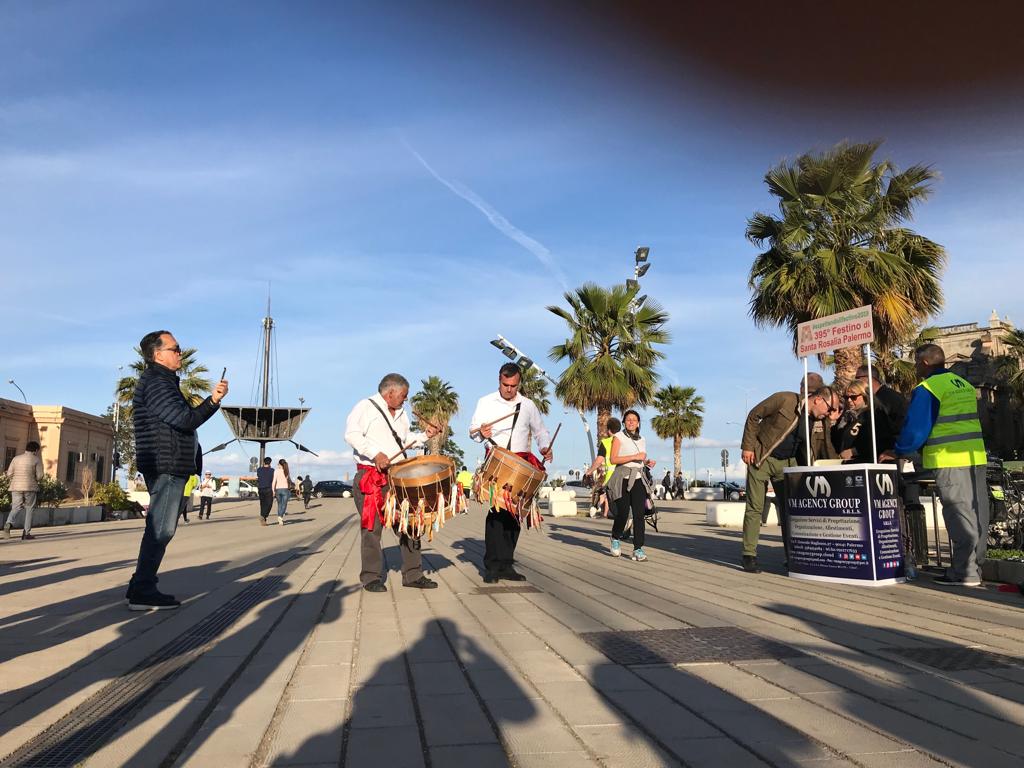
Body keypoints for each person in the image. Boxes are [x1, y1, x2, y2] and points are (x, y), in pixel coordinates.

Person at [126, 329, 227, 611]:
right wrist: (213, 401)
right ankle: (143, 590)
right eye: (175, 348)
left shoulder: (162, 381)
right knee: (161, 529)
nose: (180, 352)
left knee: (158, 526)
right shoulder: (158, 383)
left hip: (165, 462)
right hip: (166, 464)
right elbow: (184, 420)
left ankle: (138, 585)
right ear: (158, 355)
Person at [881, 344, 989, 587]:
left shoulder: (928, 388)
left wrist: (897, 451)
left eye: (916, 363)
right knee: (978, 513)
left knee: (959, 514)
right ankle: (975, 566)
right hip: (975, 456)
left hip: (949, 459)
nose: (916, 367)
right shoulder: (963, 384)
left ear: (925, 363)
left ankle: (965, 572)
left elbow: (916, 430)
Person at [345, 373, 440, 592]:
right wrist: (375, 454)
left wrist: (425, 435)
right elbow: (351, 435)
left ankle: (413, 574)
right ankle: (371, 578)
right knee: (372, 528)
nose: (405, 400)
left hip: (398, 477)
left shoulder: (402, 414)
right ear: (390, 393)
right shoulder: (365, 407)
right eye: (403, 396)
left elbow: (404, 442)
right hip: (371, 477)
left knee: (410, 523)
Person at [469, 363, 552, 583]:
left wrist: (544, 446)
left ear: (519, 383)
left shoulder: (528, 405)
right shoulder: (485, 402)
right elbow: (473, 431)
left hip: (522, 462)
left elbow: (540, 431)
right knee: (497, 512)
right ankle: (492, 566)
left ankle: (507, 564)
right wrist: (481, 432)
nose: (509, 389)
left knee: (515, 515)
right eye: (506, 385)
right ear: (499, 380)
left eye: (513, 386)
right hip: (498, 459)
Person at [739, 373, 824, 573]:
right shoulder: (784, 399)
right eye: (806, 387)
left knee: (789, 510)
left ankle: (791, 556)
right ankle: (749, 554)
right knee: (755, 508)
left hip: (788, 462)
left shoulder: (816, 418)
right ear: (816, 396)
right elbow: (754, 415)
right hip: (762, 457)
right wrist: (747, 447)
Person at [608, 410, 655, 561]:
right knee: (622, 512)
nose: (631, 422)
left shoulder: (642, 439)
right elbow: (613, 459)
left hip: (638, 478)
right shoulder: (618, 437)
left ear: (638, 423)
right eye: (628, 419)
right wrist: (635, 457)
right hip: (622, 477)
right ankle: (615, 537)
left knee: (639, 514)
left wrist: (647, 462)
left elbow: (640, 459)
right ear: (624, 422)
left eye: (634, 420)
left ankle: (638, 548)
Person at [856, 364, 907, 454]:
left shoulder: (890, 398)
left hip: (889, 454)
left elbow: (901, 427)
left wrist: (895, 451)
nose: (855, 381)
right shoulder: (873, 399)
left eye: (857, 378)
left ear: (868, 378)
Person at [4, 441, 44, 540]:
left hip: (16, 487)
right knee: (29, 509)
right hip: (30, 487)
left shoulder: (15, 459)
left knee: (16, 508)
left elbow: (9, 474)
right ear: (35, 450)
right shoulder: (36, 459)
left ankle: (8, 523)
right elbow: (40, 476)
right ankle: (26, 533)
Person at [586, 417, 622, 518]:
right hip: (626, 476)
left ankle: (620, 519)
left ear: (608, 430)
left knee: (611, 501)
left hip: (612, 478)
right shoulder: (625, 441)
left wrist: (589, 471)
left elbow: (599, 460)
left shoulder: (606, 443)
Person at [272, 459, 291, 525]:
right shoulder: (286, 471)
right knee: (284, 505)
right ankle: (280, 516)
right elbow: (288, 481)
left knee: (279, 504)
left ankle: (280, 517)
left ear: (280, 464)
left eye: (278, 464)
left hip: (278, 489)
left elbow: (274, 481)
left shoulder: (276, 471)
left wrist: (273, 490)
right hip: (285, 489)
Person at [256, 457, 275, 525]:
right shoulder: (272, 470)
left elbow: (258, 477)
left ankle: (263, 517)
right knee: (269, 504)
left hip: (261, 488)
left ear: (264, 462)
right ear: (270, 463)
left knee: (263, 504)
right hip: (269, 489)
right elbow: (273, 480)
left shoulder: (259, 470)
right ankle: (263, 516)